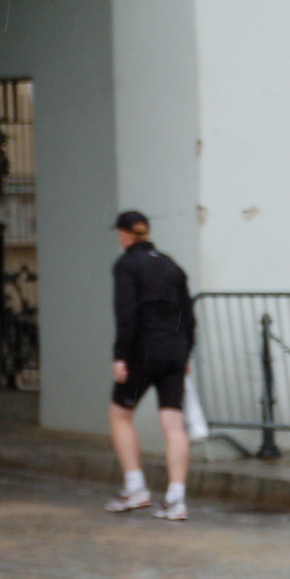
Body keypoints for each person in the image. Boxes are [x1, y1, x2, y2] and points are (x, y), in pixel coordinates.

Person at [106, 210, 195, 521]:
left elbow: (126, 314)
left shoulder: (126, 265)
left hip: (142, 352)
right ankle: (176, 498)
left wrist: (121, 356)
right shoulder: (171, 265)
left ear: (126, 235)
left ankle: (135, 488)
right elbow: (188, 313)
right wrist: (186, 354)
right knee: (173, 424)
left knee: (120, 415)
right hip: (174, 352)